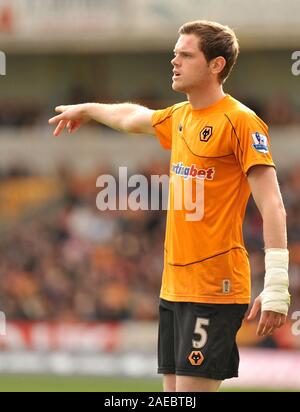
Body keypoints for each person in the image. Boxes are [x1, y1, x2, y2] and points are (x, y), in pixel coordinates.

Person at [49, 20, 290, 392]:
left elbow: (272, 202)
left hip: (214, 288)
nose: (174, 61)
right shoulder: (180, 116)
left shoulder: (240, 121)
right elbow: (131, 117)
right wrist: (87, 108)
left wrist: (276, 283)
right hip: (174, 288)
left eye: (186, 54)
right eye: (175, 54)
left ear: (216, 65)